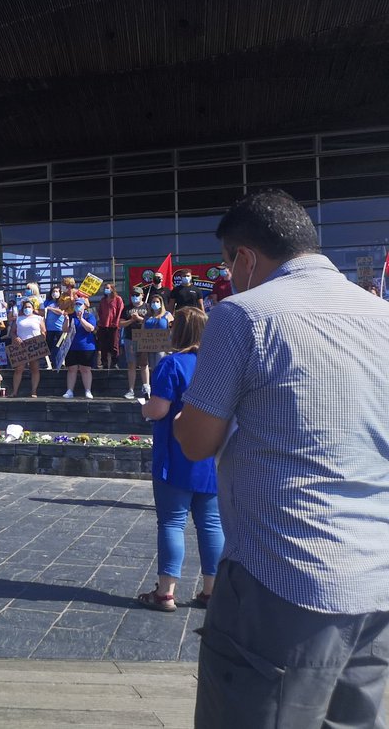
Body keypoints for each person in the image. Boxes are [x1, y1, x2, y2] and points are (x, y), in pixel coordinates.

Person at [170, 190, 389, 728]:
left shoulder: (243, 314)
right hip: (377, 576)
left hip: (284, 574)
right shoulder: (381, 315)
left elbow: (197, 441)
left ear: (244, 257)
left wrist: (178, 417)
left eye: (228, 264)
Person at [137, 308, 221, 612]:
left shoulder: (171, 364)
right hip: (211, 455)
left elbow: (159, 409)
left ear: (179, 333)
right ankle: (212, 592)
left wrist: (143, 409)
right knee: (211, 524)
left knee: (172, 522)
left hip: (176, 454)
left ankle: (166, 592)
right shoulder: (217, 366)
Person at [62, 299, 96, 398]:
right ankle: (69, 391)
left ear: (84, 306)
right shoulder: (71, 316)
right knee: (72, 368)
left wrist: (81, 319)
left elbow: (90, 329)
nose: (77, 306)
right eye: (76, 304)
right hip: (72, 346)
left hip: (86, 346)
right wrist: (67, 320)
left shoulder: (89, 316)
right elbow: (65, 330)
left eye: (79, 304)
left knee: (85, 369)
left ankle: (88, 390)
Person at [10, 300, 44, 397]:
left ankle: (34, 391)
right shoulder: (18, 319)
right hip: (21, 346)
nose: (27, 309)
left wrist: (40, 341)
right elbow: (12, 332)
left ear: (33, 308)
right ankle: (15, 391)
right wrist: (16, 338)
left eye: (29, 307)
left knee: (34, 368)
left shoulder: (38, 318)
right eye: (25, 307)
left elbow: (44, 331)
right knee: (18, 369)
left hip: (34, 345)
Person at [119, 288, 146, 400]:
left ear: (142, 295)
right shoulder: (127, 308)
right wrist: (131, 320)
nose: (135, 297)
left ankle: (146, 388)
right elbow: (120, 323)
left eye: (137, 295)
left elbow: (152, 321)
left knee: (144, 364)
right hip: (130, 337)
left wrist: (139, 318)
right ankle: (131, 390)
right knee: (131, 364)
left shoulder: (147, 307)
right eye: (133, 294)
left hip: (144, 338)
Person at [94, 282, 123, 368]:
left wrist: (116, 322)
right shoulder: (103, 300)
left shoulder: (118, 299)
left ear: (112, 289)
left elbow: (119, 311)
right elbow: (100, 311)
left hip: (114, 325)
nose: (106, 289)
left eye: (108, 288)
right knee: (103, 345)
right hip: (103, 325)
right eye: (105, 288)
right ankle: (104, 363)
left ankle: (114, 362)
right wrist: (100, 322)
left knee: (114, 345)